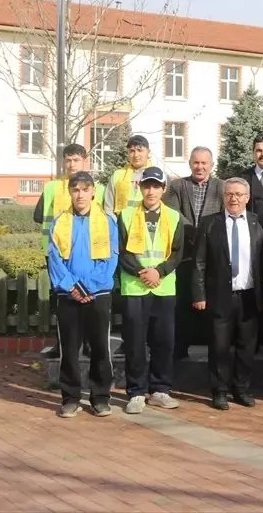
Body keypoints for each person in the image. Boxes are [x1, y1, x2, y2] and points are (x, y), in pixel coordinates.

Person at [46, 171, 119, 418]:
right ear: (70, 193)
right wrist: (71, 287)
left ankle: (100, 397)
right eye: (75, 189)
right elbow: (54, 259)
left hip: (97, 294)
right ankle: (70, 398)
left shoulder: (107, 221)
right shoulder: (60, 222)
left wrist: (88, 286)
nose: (80, 194)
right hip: (69, 296)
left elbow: (111, 258)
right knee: (69, 349)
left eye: (85, 189)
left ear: (93, 192)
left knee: (100, 347)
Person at [117, 167, 186, 413]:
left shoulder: (174, 217)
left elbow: (177, 252)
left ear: (163, 189)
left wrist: (160, 272)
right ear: (140, 187)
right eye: (147, 185)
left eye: (156, 186)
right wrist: (141, 273)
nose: (151, 190)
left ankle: (160, 390)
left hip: (164, 287)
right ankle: (136, 392)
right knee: (135, 342)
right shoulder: (125, 215)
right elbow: (122, 252)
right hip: (135, 287)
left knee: (164, 342)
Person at [193, 179, 263, 410]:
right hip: (219, 295)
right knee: (219, 346)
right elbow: (199, 262)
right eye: (230, 194)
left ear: (247, 197)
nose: (234, 198)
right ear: (223, 197)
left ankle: (241, 389)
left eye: (239, 194)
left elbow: (262, 261)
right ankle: (220, 391)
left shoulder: (256, 223)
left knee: (246, 346)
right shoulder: (209, 224)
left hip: (249, 295)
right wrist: (199, 294)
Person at [164, 146, 224, 360]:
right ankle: (180, 348)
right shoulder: (177, 186)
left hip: (212, 256)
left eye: (204, 163)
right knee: (182, 303)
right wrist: (195, 233)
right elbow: (172, 213)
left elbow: (224, 215)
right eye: (196, 162)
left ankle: (212, 348)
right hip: (184, 253)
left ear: (211, 165)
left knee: (211, 303)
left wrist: (206, 237)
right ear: (190, 164)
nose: (200, 167)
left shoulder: (222, 187)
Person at [34, 143, 105, 248]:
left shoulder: (100, 189)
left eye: (76, 160)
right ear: (64, 161)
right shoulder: (51, 187)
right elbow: (38, 217)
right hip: (55, 246)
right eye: (68, 160)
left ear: (85, 161)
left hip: (88, 246)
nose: (72, 164)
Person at [104, 134, 169, 216]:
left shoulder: (159, 175)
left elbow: (166, 206)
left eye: (140, 150)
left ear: (148, 152)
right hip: (120, 225)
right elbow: (108, 208)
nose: (136, 155)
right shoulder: (117, 175)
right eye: (132, 151)